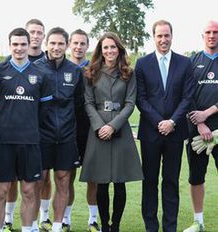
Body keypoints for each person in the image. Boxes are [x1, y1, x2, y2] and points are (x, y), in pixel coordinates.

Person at [0, 28, 54, 232]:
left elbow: (44, 110)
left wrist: (28, 125)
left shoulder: (40, 74)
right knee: (0, 190)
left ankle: (27, 228)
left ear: (29, 44)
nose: (19, 48)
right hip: (3, 142)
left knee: (29, 191)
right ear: (10, 45)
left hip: (30, 141)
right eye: (15, 44)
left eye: (23, 44)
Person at [80, 32, 143, 232]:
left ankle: (115, 226)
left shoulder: (128, 73)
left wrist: (113, 126)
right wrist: (100, 127)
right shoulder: (90, 72)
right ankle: (104, 226)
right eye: (105, 47)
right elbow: (88, 103)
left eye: (113, 47)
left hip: (120, 128)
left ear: (119, 49)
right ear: (100, 50)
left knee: (119, 181)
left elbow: (130, 103)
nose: (109, 51)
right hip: (98, 129)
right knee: (101, 181)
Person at [135, 20, 195, 232]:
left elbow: (187, 97)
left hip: (176, 133)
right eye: (159, 36)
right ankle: (151, 227)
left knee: (170, 182)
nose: (163, 40)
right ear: (153, 37)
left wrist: (171, 122)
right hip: (150, 133)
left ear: (172, 36)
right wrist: (159, 122)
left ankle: (170, 227)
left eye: (166, 35)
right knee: (149, 182)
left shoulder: (184, 63)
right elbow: (140, 99)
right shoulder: (142, 64)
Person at [33, 27, 85, 232]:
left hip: (66, 136)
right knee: (40, 180)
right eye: (53, 43)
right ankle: (39, 220)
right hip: (41, 136)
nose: (56, 47)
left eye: (61, 43)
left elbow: (79, 105)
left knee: (63, 180)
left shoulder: (74, 70)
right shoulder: (35, 68)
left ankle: (57, 225)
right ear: (46, 43)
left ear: (67, 45)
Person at [182, 20, 218, 232]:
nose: (212, 35)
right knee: (196, 177)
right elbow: (186, 95)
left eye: (216, 32)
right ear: (202, 35)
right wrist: (201, 122)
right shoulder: (191, 62)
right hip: (196, 131)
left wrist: (208, 113)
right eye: (208, 32)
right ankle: (199, 222)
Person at [67, 28, 97, 231]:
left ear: (88, 46)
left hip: (90, 131)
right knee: (65, 177)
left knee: (93, 177)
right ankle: (65, 219)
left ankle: (93, 219)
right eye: (75, 43)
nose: (78, 47)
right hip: (67, 131)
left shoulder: (94, 70)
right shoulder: (62, 68)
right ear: (70, 45)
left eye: (82, 43)